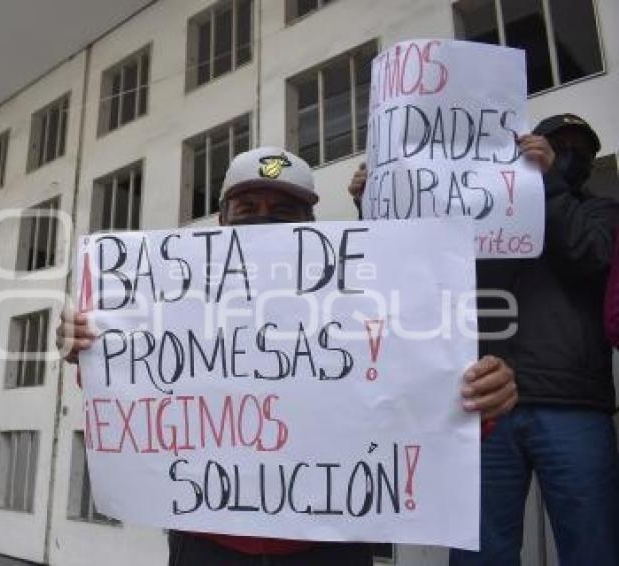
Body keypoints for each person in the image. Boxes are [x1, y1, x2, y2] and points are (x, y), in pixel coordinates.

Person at [59, 146, 517, 566]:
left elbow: (424, 399)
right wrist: (87, 348)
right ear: (221, 219)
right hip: (207, 541)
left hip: (327, 541)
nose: (264, 220)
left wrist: (484, 398)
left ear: (309, 222)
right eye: (248, 210)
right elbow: (132, 389)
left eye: (282, 211)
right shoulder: (172, 295)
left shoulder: (368, 296)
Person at [350, 114, 619, 566]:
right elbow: (416, 263)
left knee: (592, 545)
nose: (567, 153)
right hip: (487, 403)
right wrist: (375, 200)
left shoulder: (602, 210)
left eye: (578, 148)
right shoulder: (482, 212)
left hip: (574, 402)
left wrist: (548, 185)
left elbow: (585, 256)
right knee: (481, 550)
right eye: (555, 142)